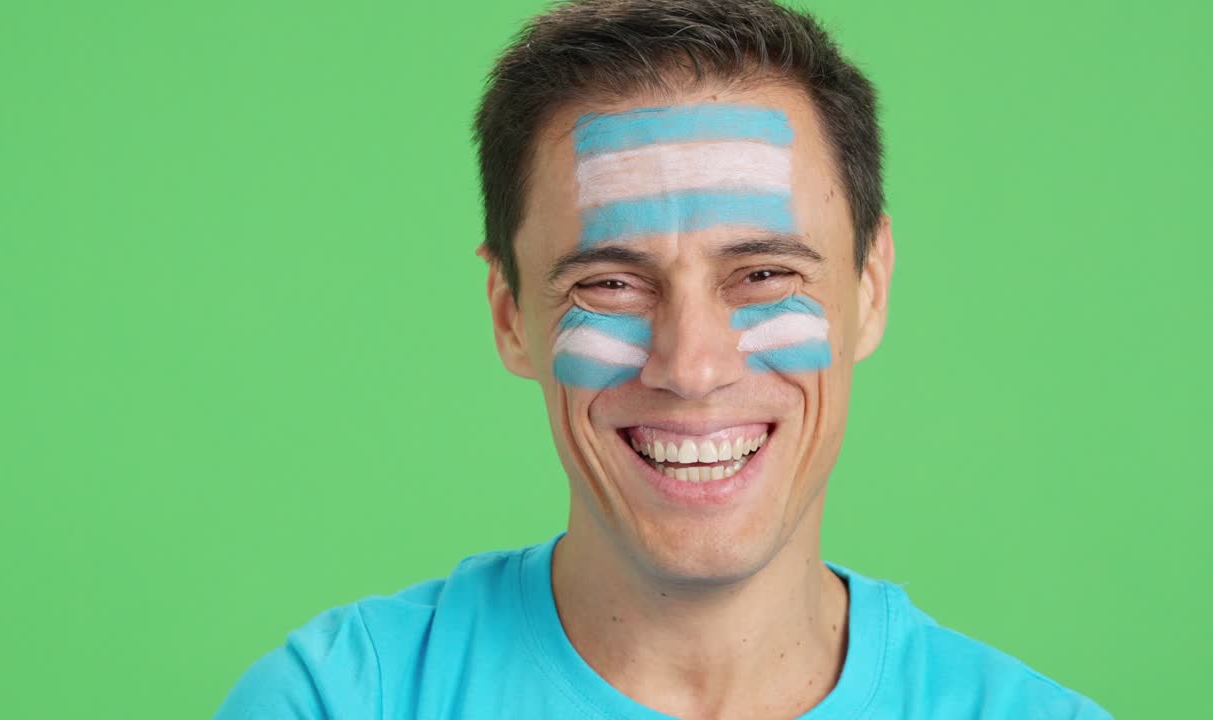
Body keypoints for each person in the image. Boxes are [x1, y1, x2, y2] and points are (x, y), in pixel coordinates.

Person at [214, 1, 1112, 717]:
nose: (690, 366)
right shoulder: (337, 704)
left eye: (762, 274)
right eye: (609, 285)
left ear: (869, 289)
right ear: (510, 316)